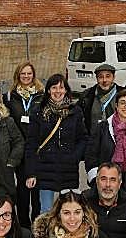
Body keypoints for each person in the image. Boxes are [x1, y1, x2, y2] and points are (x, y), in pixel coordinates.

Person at [25, 74, 88, 214]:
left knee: (68, 210)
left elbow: (83, 138)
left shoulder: (75, 111)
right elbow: (32, 143)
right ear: (48, 90)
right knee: (46, 211)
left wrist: (75, 156)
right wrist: (31, 172)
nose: (58, 91)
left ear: (66, 90)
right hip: (45, 169)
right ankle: (46, 230)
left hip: (68, 169)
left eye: (61, 87)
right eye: (54, 87)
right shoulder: (38, 112)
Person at [3, 61, 44, 228]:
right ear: (17, 76)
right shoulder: (9, 97)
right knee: (22, 190)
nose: (26, 76)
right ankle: (24, 226)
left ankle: (37, 225)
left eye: (29, 73)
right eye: (23, 73)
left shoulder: (41, 95)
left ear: (33, 75)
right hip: (19, 148)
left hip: (37, 149)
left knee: (37, 192)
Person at [78, 63, 126, 135]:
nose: (104, 80)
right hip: (94, 138)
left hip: (119, 138)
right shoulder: (87, 96)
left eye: (108, 76)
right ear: (97, 78)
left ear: (113, 77)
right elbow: (78, 118)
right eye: (100, 77)